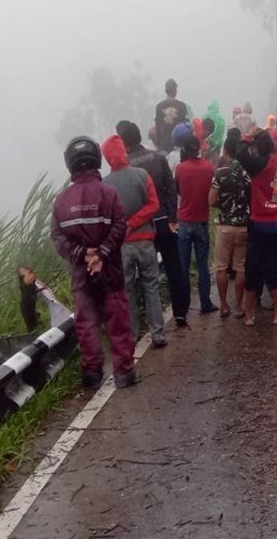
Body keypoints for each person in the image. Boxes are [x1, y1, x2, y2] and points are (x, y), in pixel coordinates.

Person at [50, 137, 137, 389]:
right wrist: (102, 253)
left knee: (87, 325)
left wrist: (82, 254)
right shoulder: (109, 194)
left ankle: (92, 374)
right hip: (111, 272)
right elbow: (121, 225)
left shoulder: (61, 200)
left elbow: (57, 237)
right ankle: (124, 372)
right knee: (118, 323)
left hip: (80, 277)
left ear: (70, 164)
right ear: (96, 159)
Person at [116, 120, 187, 327]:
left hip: (143, 228)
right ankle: (180, 312)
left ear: (124, 143)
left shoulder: (126, 167)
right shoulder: (158, 157)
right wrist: (173, 218)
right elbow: (172, 189)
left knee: (146, 277)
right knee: (174, 268)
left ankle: (147, 323)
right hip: (165, 221)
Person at [100, 135, 166, 348]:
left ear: (108, 158)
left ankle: (133, 335)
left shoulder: (105, 186)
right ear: (124, 152)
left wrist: (124, 226)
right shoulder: (141, 175)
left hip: (122, 246)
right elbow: (154, 205)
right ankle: (158, 333)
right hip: (146, 240)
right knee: (151, 286)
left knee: (126, 290)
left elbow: (105, 218)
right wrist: (135, 221)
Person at [235, 129, 277, 326]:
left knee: (253, 269)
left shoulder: (259, 165)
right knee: (274, 269)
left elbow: (239, 152)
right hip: (276, 223)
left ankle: (249, 316)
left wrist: (247, 136)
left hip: (258, 223)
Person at [176, 130, 218, 316]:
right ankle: (205, 303)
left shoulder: (180, 168)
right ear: (199, 149)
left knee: (183, 267)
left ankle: (183, 308)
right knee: (203, 266)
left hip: (184, 221)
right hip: (201, 221)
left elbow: (177, 190)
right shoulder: (209, 167)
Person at [210, 136, 251, 317]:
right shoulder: (247, 172)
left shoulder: (221, 172)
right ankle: (239, 307)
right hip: (243, 226)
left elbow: (211, 200)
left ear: (225, 151)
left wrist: (224, 207)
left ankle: (224, 305)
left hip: (225, 226)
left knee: (221, 267)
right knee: (240, 268)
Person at [154, 79, 189, 155]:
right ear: (175, 90)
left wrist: (157, 146)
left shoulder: (159, 106)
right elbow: (187, 127)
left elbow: (157, 127)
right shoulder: (182, 106)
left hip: (164, 144)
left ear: (166, 90)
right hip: (179, 145)